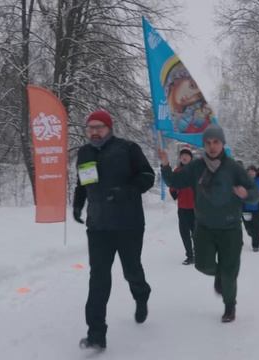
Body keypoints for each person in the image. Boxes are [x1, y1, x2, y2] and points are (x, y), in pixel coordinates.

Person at [158, 124, 259, 323]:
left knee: (230, 272)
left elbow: (255, 194)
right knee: (203, 265)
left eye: (216, 142)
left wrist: (246, 194)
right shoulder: (196, 167)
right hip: (204, 227)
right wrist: (164, 164)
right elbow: (175, 181)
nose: (212, 146)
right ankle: (219, 275)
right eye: (208, 143)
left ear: (222, 144)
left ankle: (230, 306)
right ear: (204, 144)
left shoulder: (234, 168)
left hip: (230, 229)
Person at [73, 109, 155, 350]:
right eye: (90, 128)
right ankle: (96, 334)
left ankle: (141, 295)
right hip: (98, 226)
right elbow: (83, 181)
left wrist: (125, 191)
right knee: (98, 278)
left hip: (128, 224)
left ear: (109, 128)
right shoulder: (85, 152)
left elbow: (147, 176)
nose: (94, 132)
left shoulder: (128, 148)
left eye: (99, 127)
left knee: (131, 270)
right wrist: (78, 205)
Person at [169, 148, 196, 265]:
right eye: (182, 156)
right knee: (184, 233)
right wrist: (174, 191)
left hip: (196, 208)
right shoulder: (177, 171)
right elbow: (172, 184)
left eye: (187, 155)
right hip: (182, 208)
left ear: (191, 158)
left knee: (197, 233)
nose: (184, 157)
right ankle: (190, 255)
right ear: (180, 158)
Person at [243, 166, 259, 252]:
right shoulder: (243, 181)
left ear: (256, 173)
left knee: (255, 227)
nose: (251, 173)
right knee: (248, 227)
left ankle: (256, 246)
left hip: (256, 208)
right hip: (246, 208)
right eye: (249, 171)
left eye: (253, 171)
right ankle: (252, 233)